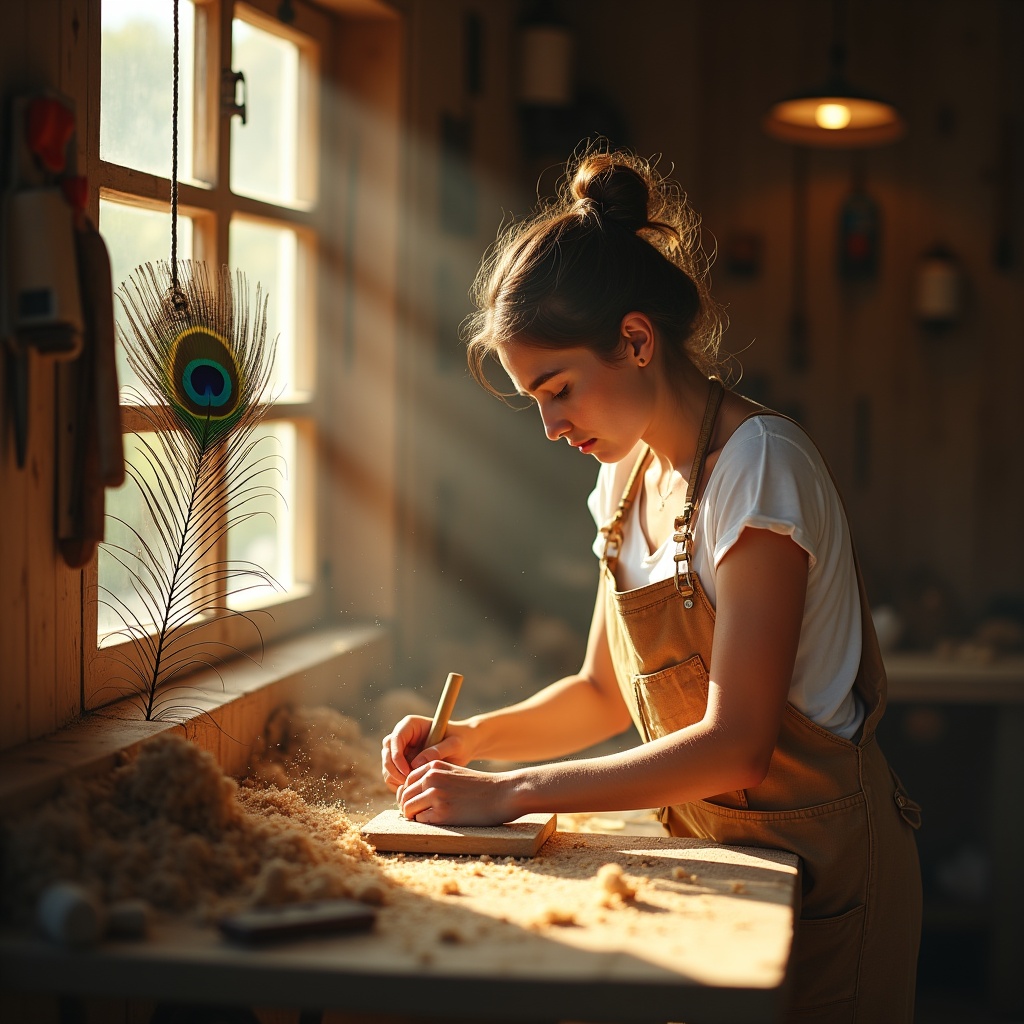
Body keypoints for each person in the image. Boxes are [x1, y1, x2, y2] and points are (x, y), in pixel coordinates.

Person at [381, 144, 922, 1022]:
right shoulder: (625, 478)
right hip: (719, 869)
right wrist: (468, 745)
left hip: (823, 878)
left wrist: (511, 794)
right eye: (536, 402)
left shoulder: (759, 472)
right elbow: (601, 693)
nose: (552, 426)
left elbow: (737, 744)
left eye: (558, 390)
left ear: (634, 340)